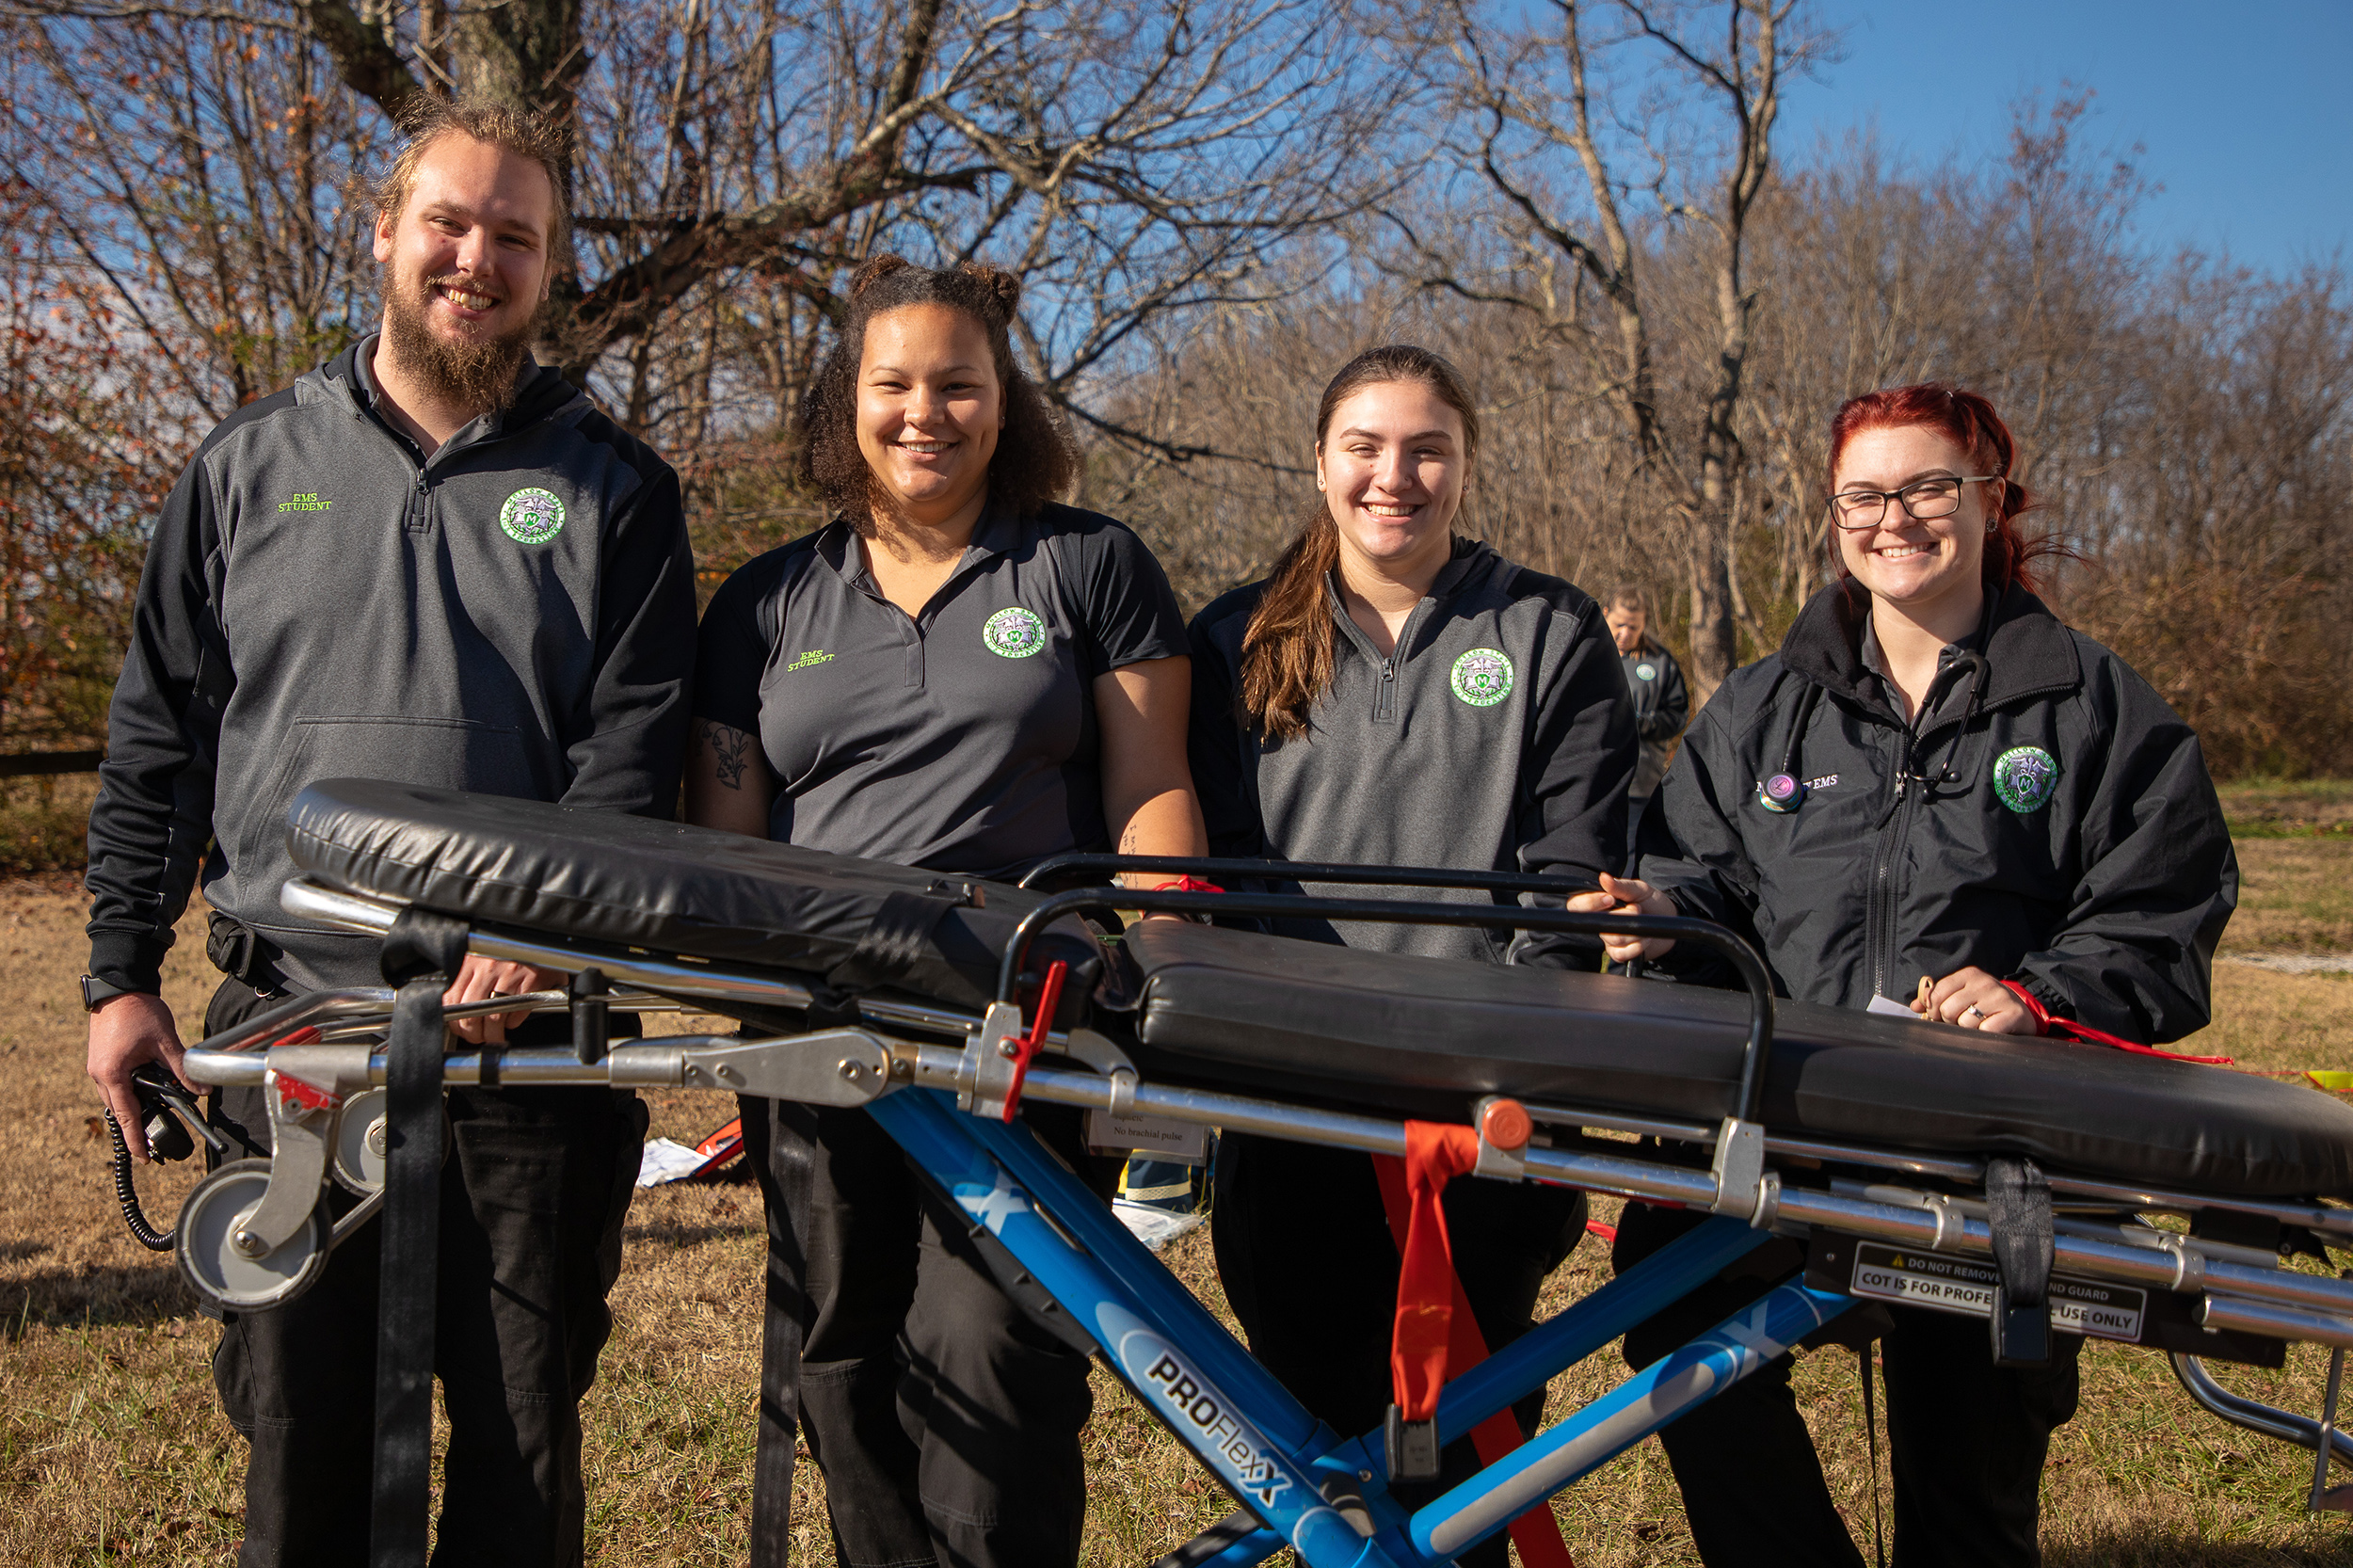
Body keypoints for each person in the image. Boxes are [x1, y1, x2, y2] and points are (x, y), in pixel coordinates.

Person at [81, 99, 697, 1564]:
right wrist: (118, 972)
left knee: (519, 1436)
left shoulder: (619, 488)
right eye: (450, 222)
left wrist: (536, 936)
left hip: (525, 1036)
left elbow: (634, 753)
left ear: (549, 268)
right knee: (301, 1434)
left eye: (516, 237)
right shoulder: (241, 467)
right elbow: (159, 737)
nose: (476, 258)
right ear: (385, 233)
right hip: (292, 1025)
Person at [1577, 382, 2236, 1567]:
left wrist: (2039, 997)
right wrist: (1661, 917)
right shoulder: (1767, 706)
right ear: (1834, 517)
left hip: (1998, 1159)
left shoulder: (2090, 701)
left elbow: (2160, 907)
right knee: (1670, 1315)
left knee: (1969, 1505)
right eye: (1862, 495)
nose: (1895, 517)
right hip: (1784, 1138)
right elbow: (1702, 876)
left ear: (1992, 498)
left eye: (1927, 486)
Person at [684, 254, 1206, 1568]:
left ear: (1004, 399)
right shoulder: (762, 602)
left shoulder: (1090, 565)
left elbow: (1153, 791)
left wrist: (1169, 976)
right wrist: (747, 1008)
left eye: (959, 384)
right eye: (894, 383)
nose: (927, 412)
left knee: (996, 1339)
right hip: (819, 1036)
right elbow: (726, 843)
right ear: (844, 402)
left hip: (1028, 1028)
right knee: (840, 1346)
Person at [1187, 344, 1637, 1562]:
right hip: (1292, 1118)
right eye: (1367, 447)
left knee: (1461, 1468)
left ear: (1467, 464)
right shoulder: (1231, 638)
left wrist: (1483, 1060)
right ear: (1320, 462)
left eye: (1428, 448)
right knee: (1321, 1452)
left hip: (1480, 1128)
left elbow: (1567, 878)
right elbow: (1219, 878)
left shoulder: (1551, 630)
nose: (1398, 475)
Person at [1602, 584, 1688, 862]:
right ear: (1605, 615)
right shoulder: (1586, 653)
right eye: (1619, 625)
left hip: (1640, 780)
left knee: (1629, 858)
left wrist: (1639, 723)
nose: (1625, 634)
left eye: (1633, 627)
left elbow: (1677, 715)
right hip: (1592, 779)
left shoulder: (1661, 663)